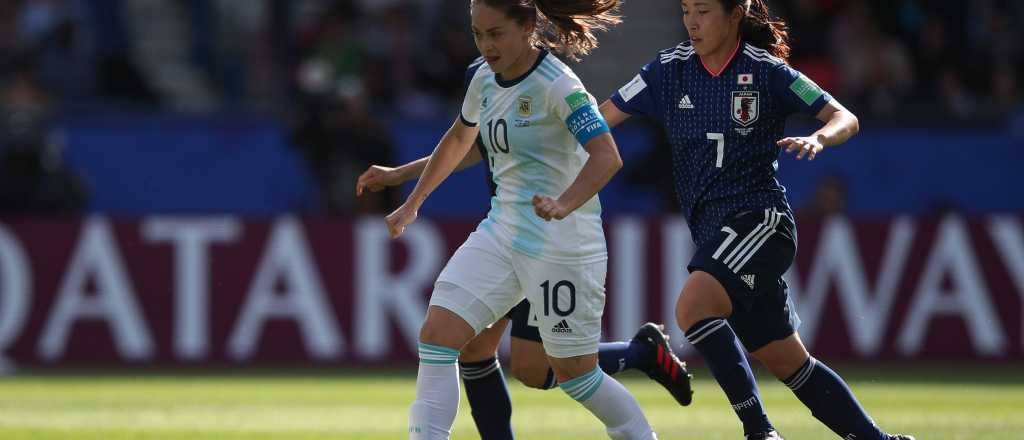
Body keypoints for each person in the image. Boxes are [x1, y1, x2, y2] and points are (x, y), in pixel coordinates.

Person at [595, 1, 917, 440]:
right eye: (686, 9)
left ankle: (759, 431)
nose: (691, 21)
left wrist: (818, 139)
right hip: (717, 235)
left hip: (762, 222)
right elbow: (598, 118)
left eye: (704, 10)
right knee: (790, 363)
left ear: (735, 14)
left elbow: (845, 117)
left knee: (692, 307)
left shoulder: (765, 72)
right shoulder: (667, 71)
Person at [385, 1, 660, 438]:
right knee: (438, 336)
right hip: (503, 232)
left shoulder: (560, 87)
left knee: (576, 375)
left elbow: (607, 157)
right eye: (478, 34)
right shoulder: (482, 78)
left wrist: (565, 203)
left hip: (562, 245)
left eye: (496, 34)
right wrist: (413, 200)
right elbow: (461, 138)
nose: (486, 45)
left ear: (527, 26)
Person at [358, 141, 692, 439]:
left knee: (541, 370)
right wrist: (404, 174)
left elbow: (601, 150)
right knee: (472, 347)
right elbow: (471, 144)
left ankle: (641, 354)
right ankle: (641, 354)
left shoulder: (543, 83)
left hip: (546, 239)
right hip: (506, 235)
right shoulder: (486, 78)